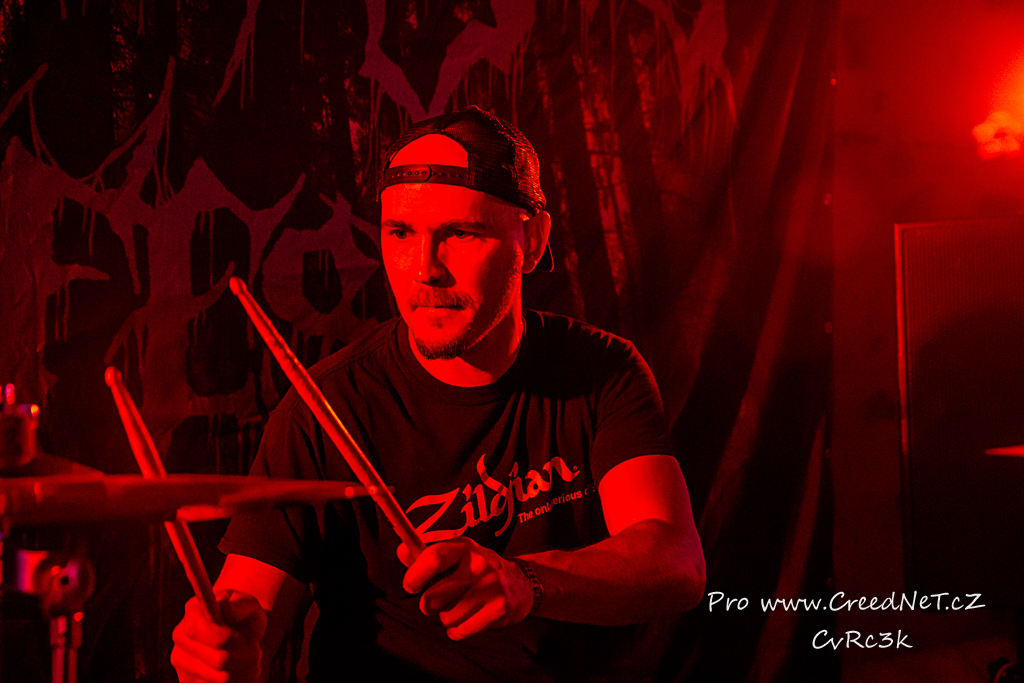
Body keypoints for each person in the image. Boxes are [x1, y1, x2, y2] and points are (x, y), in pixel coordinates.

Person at [170, 106, 705, 683]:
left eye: (460, 234)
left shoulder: (601, 370)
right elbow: (249, 610)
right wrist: (221, 654)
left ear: (532, 239)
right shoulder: (322, 408)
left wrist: (522, 582)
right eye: (400, 234)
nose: (424, 270)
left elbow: (675, 562)